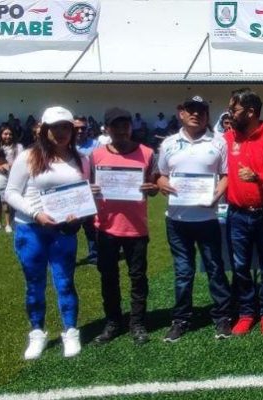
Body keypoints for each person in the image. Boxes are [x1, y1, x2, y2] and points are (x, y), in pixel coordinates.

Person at [4, 106, 88, 359]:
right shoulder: (28, 156)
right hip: (31, 230)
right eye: (55, 128)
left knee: (65, 283)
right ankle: (37, 332)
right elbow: (10, 193)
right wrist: (35, 213)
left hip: (63, 231)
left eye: (66, 127)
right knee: (35, 285)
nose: (61, 133)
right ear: (45, 130)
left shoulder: (80, 158)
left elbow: (81, 196)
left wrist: (79, 214)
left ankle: (70, 331)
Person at [156, 95, 232, 342]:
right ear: (181, 112)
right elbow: (161, 175)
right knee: (183, 272)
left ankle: (222, 318)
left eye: (201, 110)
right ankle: (181, 319)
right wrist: (163, 184)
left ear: (207, 115)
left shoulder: (218, 142)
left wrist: (217, 196)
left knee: (215, 268)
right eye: (191, 109)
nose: (196, 114)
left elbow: (225, 175)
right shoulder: (168, 143)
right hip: (177, 219)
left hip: (207, 218)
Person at [89, 108, 158, 345]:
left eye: (124, 125)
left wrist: (153, 189)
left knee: (138, 277)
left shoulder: (147, 153)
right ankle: (113, 322)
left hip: (136, 228)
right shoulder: (95, 156)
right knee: (108, 277)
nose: (120, 130)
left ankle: (137, 323)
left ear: (131, 127)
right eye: (115, 126)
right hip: (106, 227)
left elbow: (154, 184)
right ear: (106, 129)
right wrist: (90, 191)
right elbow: (85, 187)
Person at [222, 89, 263, 337]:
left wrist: (258, 177)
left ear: (250, 112)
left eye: (234, 109)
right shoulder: (226, 139)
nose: (230, 113)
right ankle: (246, 313)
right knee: (240, 267)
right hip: (237, 215)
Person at [75, 115, 99, 264]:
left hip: (90, 192)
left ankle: (94, 254)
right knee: (69, 227)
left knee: (91, 226)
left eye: (82, 128)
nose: (79, 131)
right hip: (70, 192)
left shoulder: (96, 145)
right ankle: (66, 255)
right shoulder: (64, 145)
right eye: (75, 128)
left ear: (87, 129)